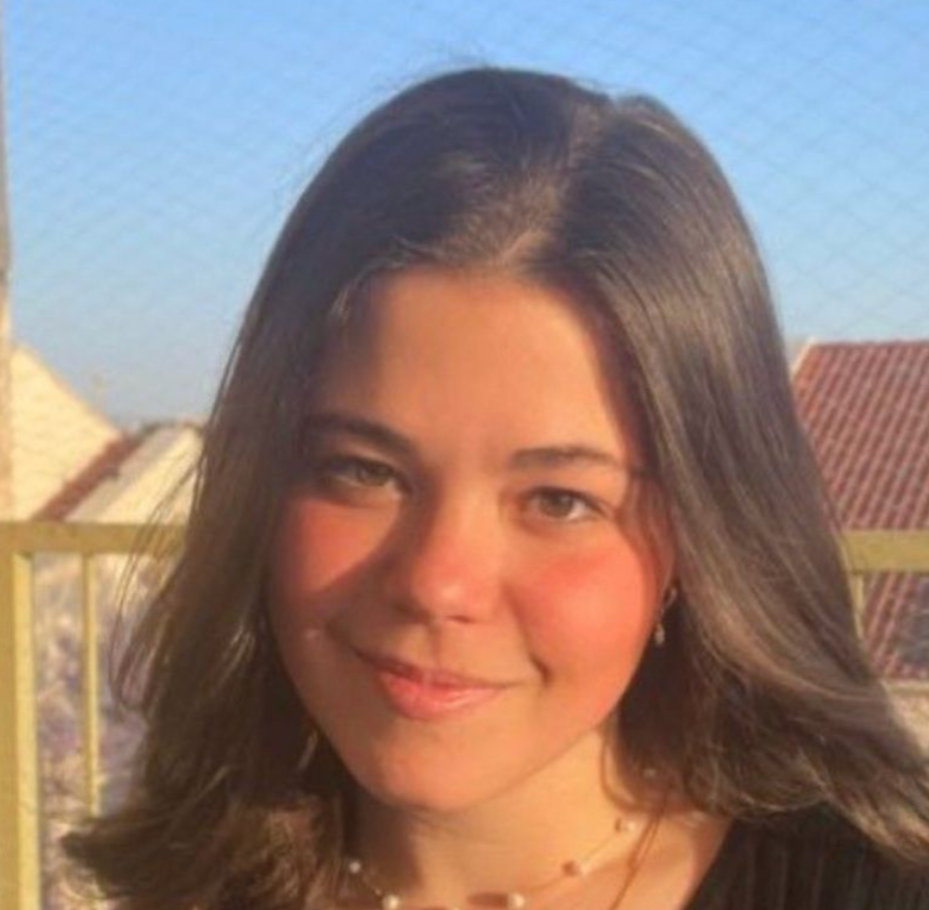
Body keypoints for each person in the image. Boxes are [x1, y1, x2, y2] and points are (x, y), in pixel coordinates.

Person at [64, 66, 929, 910]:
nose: (436, 584)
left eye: (559, 500)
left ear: (698, 539)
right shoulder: (184, 882)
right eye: (363, 470)